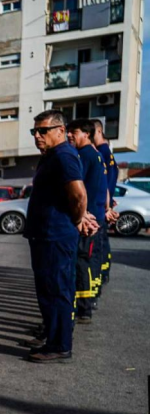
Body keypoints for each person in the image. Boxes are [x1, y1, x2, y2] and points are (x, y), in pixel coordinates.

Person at [24, 110, 97, 362]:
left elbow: (78, 194)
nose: (37, 135)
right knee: (47, 289)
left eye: (42, 131)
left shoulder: (64, 155)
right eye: (34, 131)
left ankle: (59, 345)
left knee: (57, 289)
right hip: (44, 234)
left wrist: (78, 218)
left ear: (60, 131)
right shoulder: (50, 156)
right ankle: (51, 336)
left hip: (55, 235)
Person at [68, 119, 108, 323]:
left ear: (86, 133)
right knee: (86, 261)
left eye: (73, 132)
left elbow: (77, 190)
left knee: (80, 262)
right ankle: (85, 305)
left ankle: (82, 308)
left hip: (87, 221)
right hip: (95, 218)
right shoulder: (97, 156)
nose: (69, 135)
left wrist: (82, 216)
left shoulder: (84, 155)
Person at [93, 119, 118, 290]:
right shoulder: (107, 152)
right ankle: (102, 274)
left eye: (90, 133)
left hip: (101, 208)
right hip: (105, 206)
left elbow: (103, 183)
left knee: (97, 247)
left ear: (99, 132)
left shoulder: (101, 152)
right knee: (102, 245)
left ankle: (99, 280)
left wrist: (106, 207)